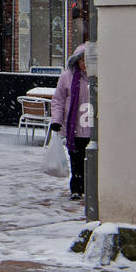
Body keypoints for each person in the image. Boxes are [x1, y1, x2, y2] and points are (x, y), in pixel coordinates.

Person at [50, 44, 93, 201]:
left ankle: (91, 187)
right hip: (74, 128)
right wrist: (56, 120)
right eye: (82, 60)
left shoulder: (97, 78)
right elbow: (58, 100)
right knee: (76, 160)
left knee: (92, 161)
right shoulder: (67, 77)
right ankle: (77, 188)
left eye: (88, 60)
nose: (84, 64)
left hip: (94, 128)